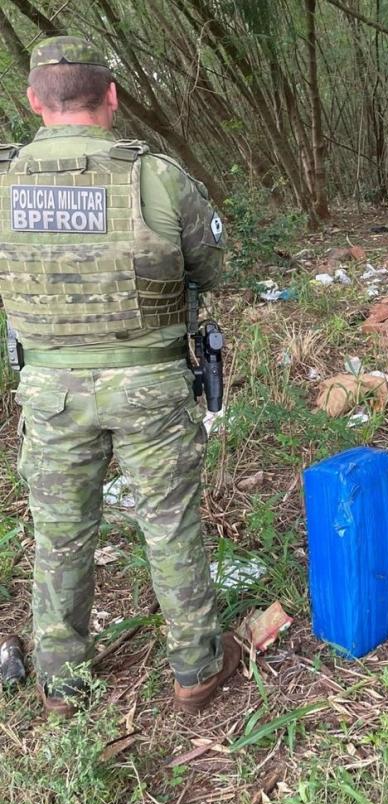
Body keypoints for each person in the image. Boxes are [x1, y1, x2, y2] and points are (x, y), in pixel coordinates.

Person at [0, 36, 236, 718]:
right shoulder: (155, 177)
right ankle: (195, 670)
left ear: (33, 102)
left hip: (49, 389)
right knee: (170, 525)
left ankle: (64, 680)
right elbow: (214, 269)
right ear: (111, 97)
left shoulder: (7, 181)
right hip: (150, 385)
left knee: (61, 534)